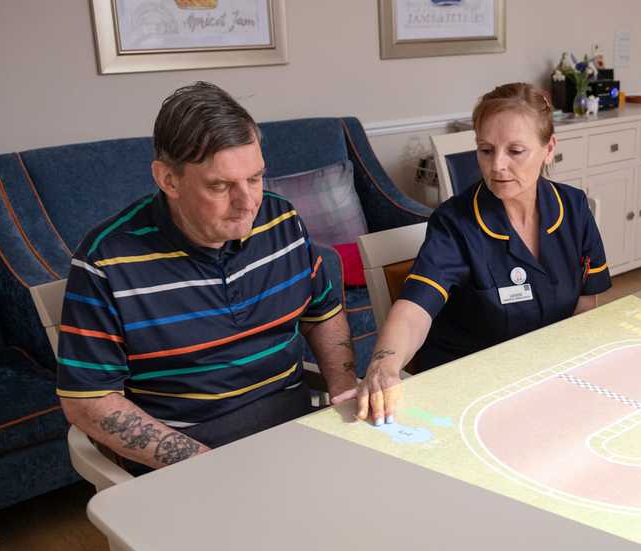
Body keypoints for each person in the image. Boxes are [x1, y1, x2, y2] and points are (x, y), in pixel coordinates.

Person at [57, 82, 358, 472]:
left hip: (296, 431)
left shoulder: (281, 220)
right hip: (187, 455)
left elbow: (323, 313)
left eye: (255, 178)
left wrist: (343, 383)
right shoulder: (105, 262)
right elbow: (87, 399)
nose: (248, 203)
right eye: (220, 186)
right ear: (168, 179)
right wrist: (204, 466)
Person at [338, 82, 611, 425]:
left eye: (515, 151)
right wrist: (384, 365)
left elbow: (585, 308)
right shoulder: (455, 223)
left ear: (549, 148)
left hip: (542, 378)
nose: (497, 166)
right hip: (468, 390)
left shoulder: (573, 208)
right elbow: (415, 308)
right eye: (486, 150)